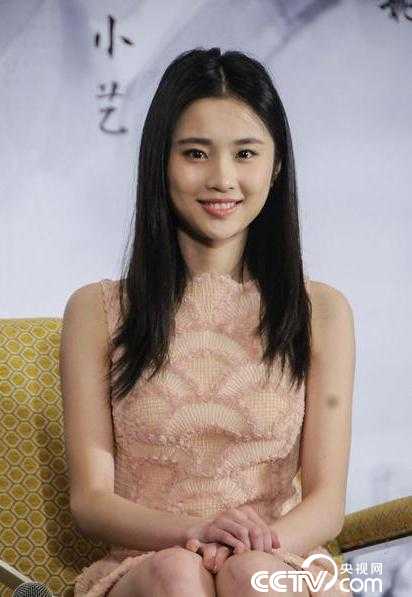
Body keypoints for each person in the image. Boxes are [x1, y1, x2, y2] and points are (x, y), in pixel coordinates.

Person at [60, 47, 356, 597]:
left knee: (253, 576)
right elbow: (91, 502)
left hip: (278, 555)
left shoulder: (323, 312)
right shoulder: (95, 312)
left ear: (276, 166)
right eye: (196, 153)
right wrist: (193, 534)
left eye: (245, 154)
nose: (222, 178)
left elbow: (326, 503)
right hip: (147, 567)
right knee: (176, 573)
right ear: (161, 162)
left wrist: (249, 546)